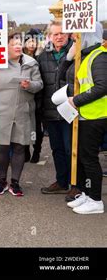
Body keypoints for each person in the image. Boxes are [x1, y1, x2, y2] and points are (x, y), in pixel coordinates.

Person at [0, 32, 43, 196]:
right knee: (2, 147)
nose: (17, 46)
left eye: (19, 43)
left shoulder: (31, 63)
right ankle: (1, 181)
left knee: (19, 146)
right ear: (5, 46)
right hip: (1, 111)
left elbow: (39, 84)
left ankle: (15, 182)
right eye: (13, 43)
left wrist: (29, 85)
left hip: (23, 111)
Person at [58, 23, 106, 214]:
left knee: (90, 159)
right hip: (87, 114)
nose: (74, 39)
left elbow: (102, 86)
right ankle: (87, 194)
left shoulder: (99, 56)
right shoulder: (85, 54)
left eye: (77, 36)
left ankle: (96, 200)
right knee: (85, 158)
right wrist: (69, 58)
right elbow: (62, 76)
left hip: (96, 115)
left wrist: (75, 101)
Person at [37, 21, 75, 200]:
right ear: (50, 36)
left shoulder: (77, 53)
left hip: (71, 110)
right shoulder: (43, 56)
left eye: (62, 33)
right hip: (50, 112)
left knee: (71, 149)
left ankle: (76, 184)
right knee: (57, 149)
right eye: (55, 34)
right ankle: (61, 182)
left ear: (68, 34)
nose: (59, 37)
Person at [23, 28, 45, 163]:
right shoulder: (20, 57)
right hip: (23, 96)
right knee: (23, 127)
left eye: (34, 41)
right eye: (29, 41)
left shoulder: (41, 57)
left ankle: (36, 150)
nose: (32, 44)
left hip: (38, 97)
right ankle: (25, 151)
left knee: (36, 128)